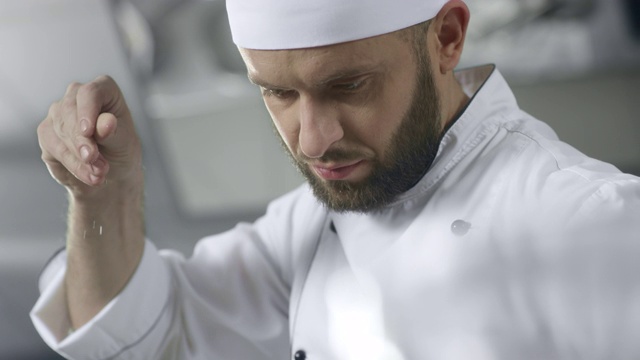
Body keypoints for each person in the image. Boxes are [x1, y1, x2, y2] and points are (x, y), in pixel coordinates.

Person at [31, 0, 640, 359]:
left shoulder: (590, 218)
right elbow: (142, 337)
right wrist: (104, 193)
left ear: (447, 39)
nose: (312, 138)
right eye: (278, 93)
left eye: (349, 85)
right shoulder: (309, 223)